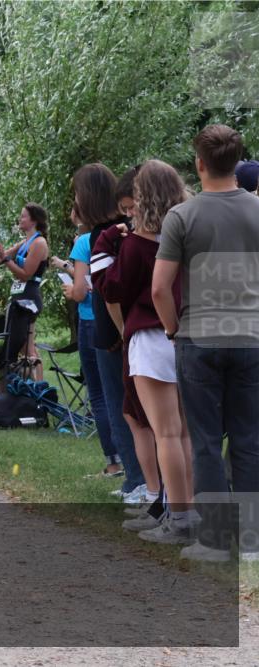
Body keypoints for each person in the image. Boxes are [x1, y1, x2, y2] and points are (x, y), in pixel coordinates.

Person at [153, 125, 259, 562]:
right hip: (252, 338)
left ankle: (216, 541)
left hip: (200, 335)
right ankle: (252, 541)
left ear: (199, 164)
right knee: (250, 439)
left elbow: (160, 288)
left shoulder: (183, 216)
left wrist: (175, 330)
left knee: (205, 440)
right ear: (236, 162)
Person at [97, 160, 193, 544]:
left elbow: (111, 289)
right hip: (187, 335)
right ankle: (189, 511)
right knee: (184, 433)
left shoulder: (136, 245)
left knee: (165, 434)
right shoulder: (189, 234)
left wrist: (106, 244)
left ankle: (178, 517)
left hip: (153, 337)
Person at [80, 164, 151, 505]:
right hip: (128, 330)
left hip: (115, 333)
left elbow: (110, 292)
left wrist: (120, 333)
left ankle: (138, 481)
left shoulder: (107, 236)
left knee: (125, 408)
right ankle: (143, 481)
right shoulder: (131, 231)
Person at [55, 201, 126, 479]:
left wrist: (70, 289)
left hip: (90, 320)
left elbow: (82, 292)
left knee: (98, 393)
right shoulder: (119, 235)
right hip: (116, 318)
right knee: (120, 392)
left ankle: (113, 462)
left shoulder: (84, 242)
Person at [0, 203, 49, 379]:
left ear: (34, 220)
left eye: (23, 216)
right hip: (18, 298)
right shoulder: (25, 242)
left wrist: (8, 260)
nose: (19, 219)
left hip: (29, 299)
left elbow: (25, 274)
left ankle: (39, 390)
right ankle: (28, 389)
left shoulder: (39, 243)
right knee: (22, 347)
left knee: (26, 348)